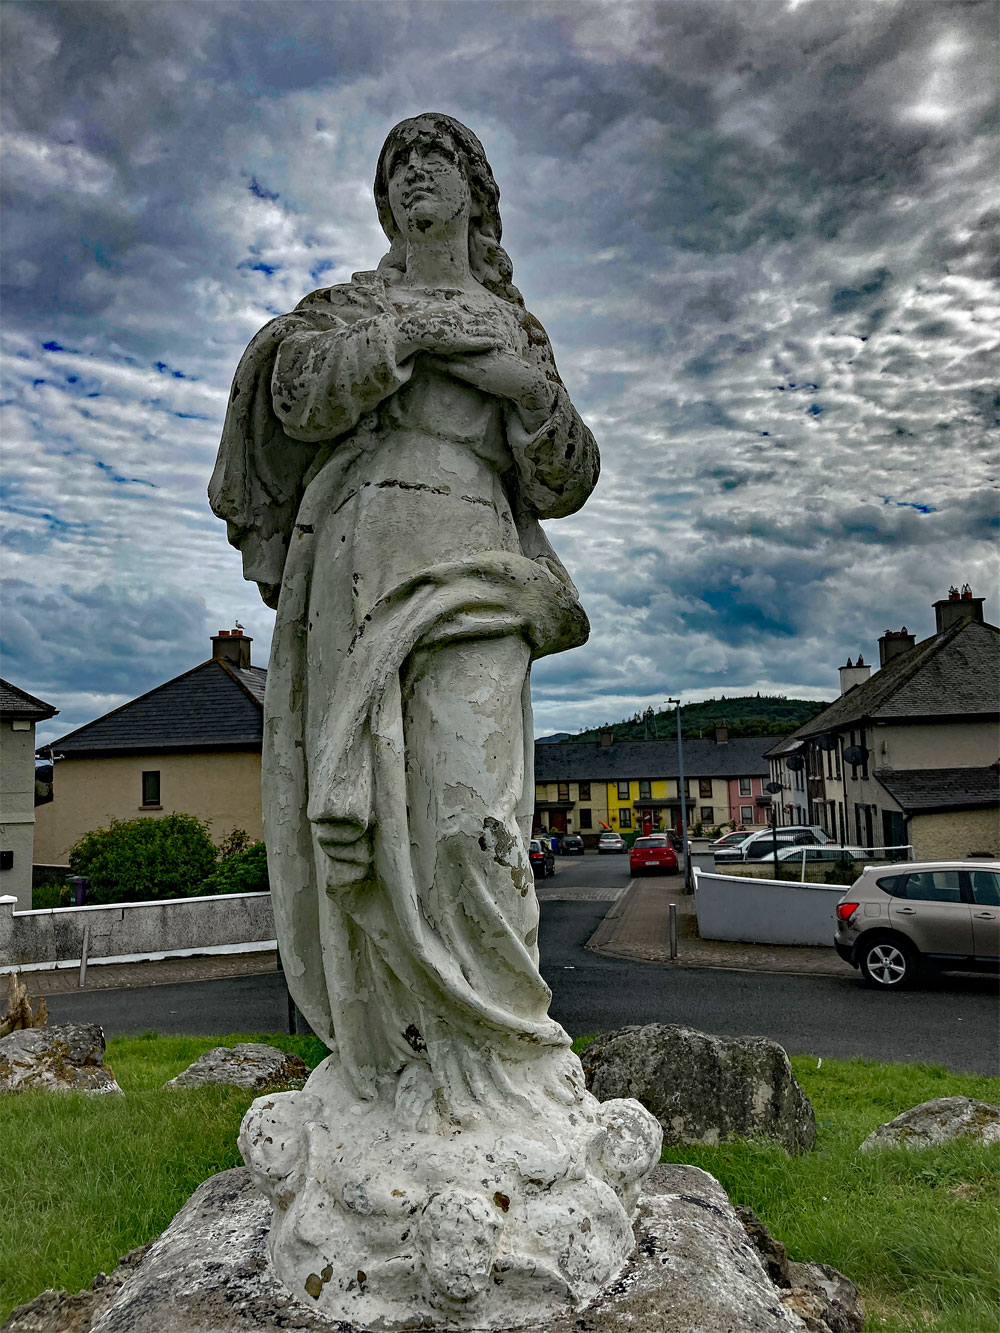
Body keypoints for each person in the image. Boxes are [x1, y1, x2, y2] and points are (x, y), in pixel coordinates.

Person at [210, 113, 599, 1113]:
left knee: (471, 816)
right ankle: (392, 1071)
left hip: (478, 560)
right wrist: (410, 336)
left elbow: (565, 480)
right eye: (398, 166)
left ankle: (507, 1057)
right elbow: (292, 398)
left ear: (477, 190)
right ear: (384, 200)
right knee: (374, 813)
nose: (416, 177)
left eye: (436, 160)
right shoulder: (348, 306)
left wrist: (521, 392)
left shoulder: (516, 325)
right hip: (359, 553)